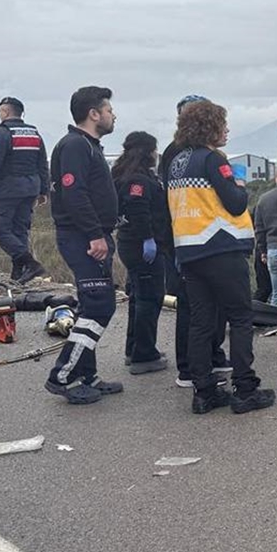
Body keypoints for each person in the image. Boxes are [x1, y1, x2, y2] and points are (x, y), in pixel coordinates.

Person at [167, 100, 273, 414]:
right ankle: (244, 388)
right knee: (240, 318)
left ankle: (204, 392)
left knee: (200, 322)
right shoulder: (213, 160)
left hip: (190, 251)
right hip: (221, 248)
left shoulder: (177, 162)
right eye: (223, 124)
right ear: (210, 127)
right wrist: (238, 183)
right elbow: (236, 203)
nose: (227, 130)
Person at [44, 86, 124, 404]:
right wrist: (94, 235)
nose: (113, 114)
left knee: (92, 307)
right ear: (94, 113)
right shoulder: (76, 145)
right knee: (100, 306)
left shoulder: (89, 146)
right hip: (82, 238)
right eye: (108, 109)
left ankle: (85, 375)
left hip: (93, 235)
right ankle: (62, 376)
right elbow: (73, 195)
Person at [161, 95, 231, 387]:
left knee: (209, 307)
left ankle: (210, 357)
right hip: (192, 239)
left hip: (198, 239)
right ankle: (189, 366)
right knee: (192, 307)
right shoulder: (179, 154)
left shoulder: (194, 153)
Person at [113, 131, 169, 375]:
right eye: (155, 149)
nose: (157, 154)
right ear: (147, 151)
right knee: (150, 298)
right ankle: (144, 355)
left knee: (138, 297)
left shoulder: (124, 175)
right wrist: (148, 238)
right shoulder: (138, 180)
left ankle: (134, 348)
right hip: (141, 244)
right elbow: (138, 209)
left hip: (129, 243)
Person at [0, 96, 49, 284]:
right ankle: (19, 274)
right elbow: (42, 162)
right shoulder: (34, 133)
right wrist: (43, 190)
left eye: (0, 111)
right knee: (19, 229)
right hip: (30, 188)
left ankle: (30, 263)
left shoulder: (1, 133)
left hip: (8, 188)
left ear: (6, 112)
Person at [254, 171, 277, 306]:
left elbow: (259, 228)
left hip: (272, 250)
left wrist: (263, 250)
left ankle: (274, 321)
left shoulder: (263, 198)